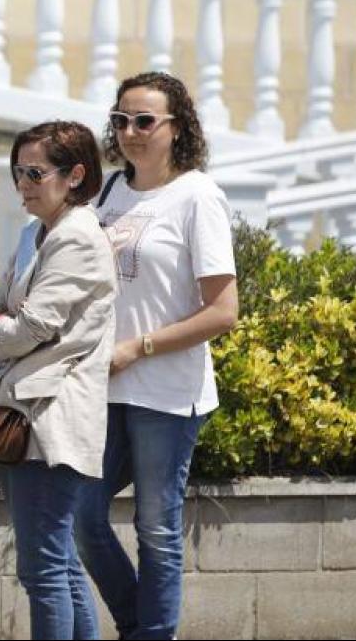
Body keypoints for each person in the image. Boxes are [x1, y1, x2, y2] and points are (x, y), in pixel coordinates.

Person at [74, 71, 239, 640]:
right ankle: (138, 626)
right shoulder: (108, 192)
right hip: (101, 386)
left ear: (177, 127)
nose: (131, 131)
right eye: (121, 120)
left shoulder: (197, 196)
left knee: (157, 530)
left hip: (165, 393)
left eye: (146, 120)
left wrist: (139, 347)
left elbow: (223, 312)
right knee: (81, 516)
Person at [0, 121, 116, 640]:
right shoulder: (35, 234)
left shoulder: (78, 239)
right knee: (60, 563)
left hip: (52, 419)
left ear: (75, 175)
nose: (23, 184)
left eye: (34, 173)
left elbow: (30, 324)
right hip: (30, 413)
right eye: (17, 172)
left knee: (43, 569)